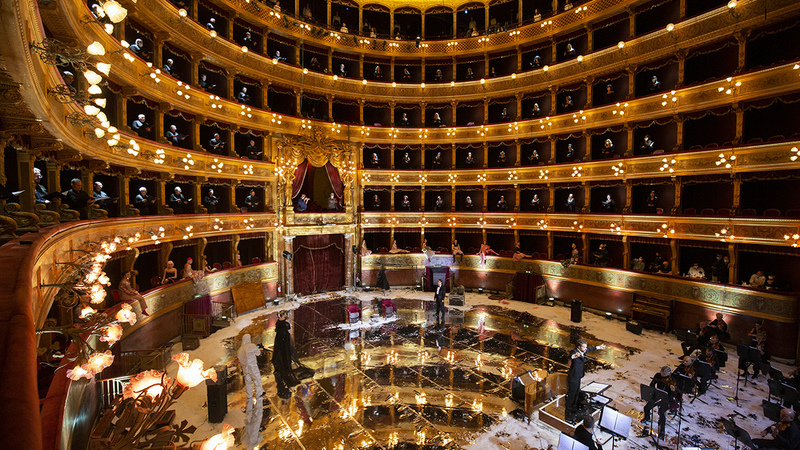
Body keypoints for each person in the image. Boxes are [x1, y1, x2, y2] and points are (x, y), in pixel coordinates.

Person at [272, 312, 312, 399]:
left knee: (283, 354)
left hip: (281, 341)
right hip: (284, 341)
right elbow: (287, 327)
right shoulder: (284, 324)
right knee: (285, 354)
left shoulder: (279, 324)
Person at [566, 339, 607, 422]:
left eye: (585, 347)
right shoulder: (574, 352)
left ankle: (574, 406)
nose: (585, 349)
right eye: (584, 347)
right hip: (573, 377)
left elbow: (590, 349)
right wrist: (575, 356)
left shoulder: (583, 351)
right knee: (572, 394)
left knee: (576, 392)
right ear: (579, 347)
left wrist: (599, 347)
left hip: (578, 376)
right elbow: (571, 356)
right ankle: (569, 411)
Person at [643, 366, 678, 437]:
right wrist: (652, 390)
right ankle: (647, 418)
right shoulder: (658, 375)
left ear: (669, 373)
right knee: (646, 407)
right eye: (662, 372)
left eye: (664, 374)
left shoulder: (673, 380)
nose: (662, 374)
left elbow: (675, 395)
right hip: (657, 395)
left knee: (661, 412)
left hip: (667, 398)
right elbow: (652, 384)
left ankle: (662, 429)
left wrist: (673, 390)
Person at [238, 334, 263, 404]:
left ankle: (249, 395)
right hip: (252, 365)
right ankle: (259, 393)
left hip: (245, 367)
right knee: (256, 379)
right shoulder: (251, 346)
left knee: (248, 381)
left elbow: (240, 359)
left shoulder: (240, 349)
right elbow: (258, 353)